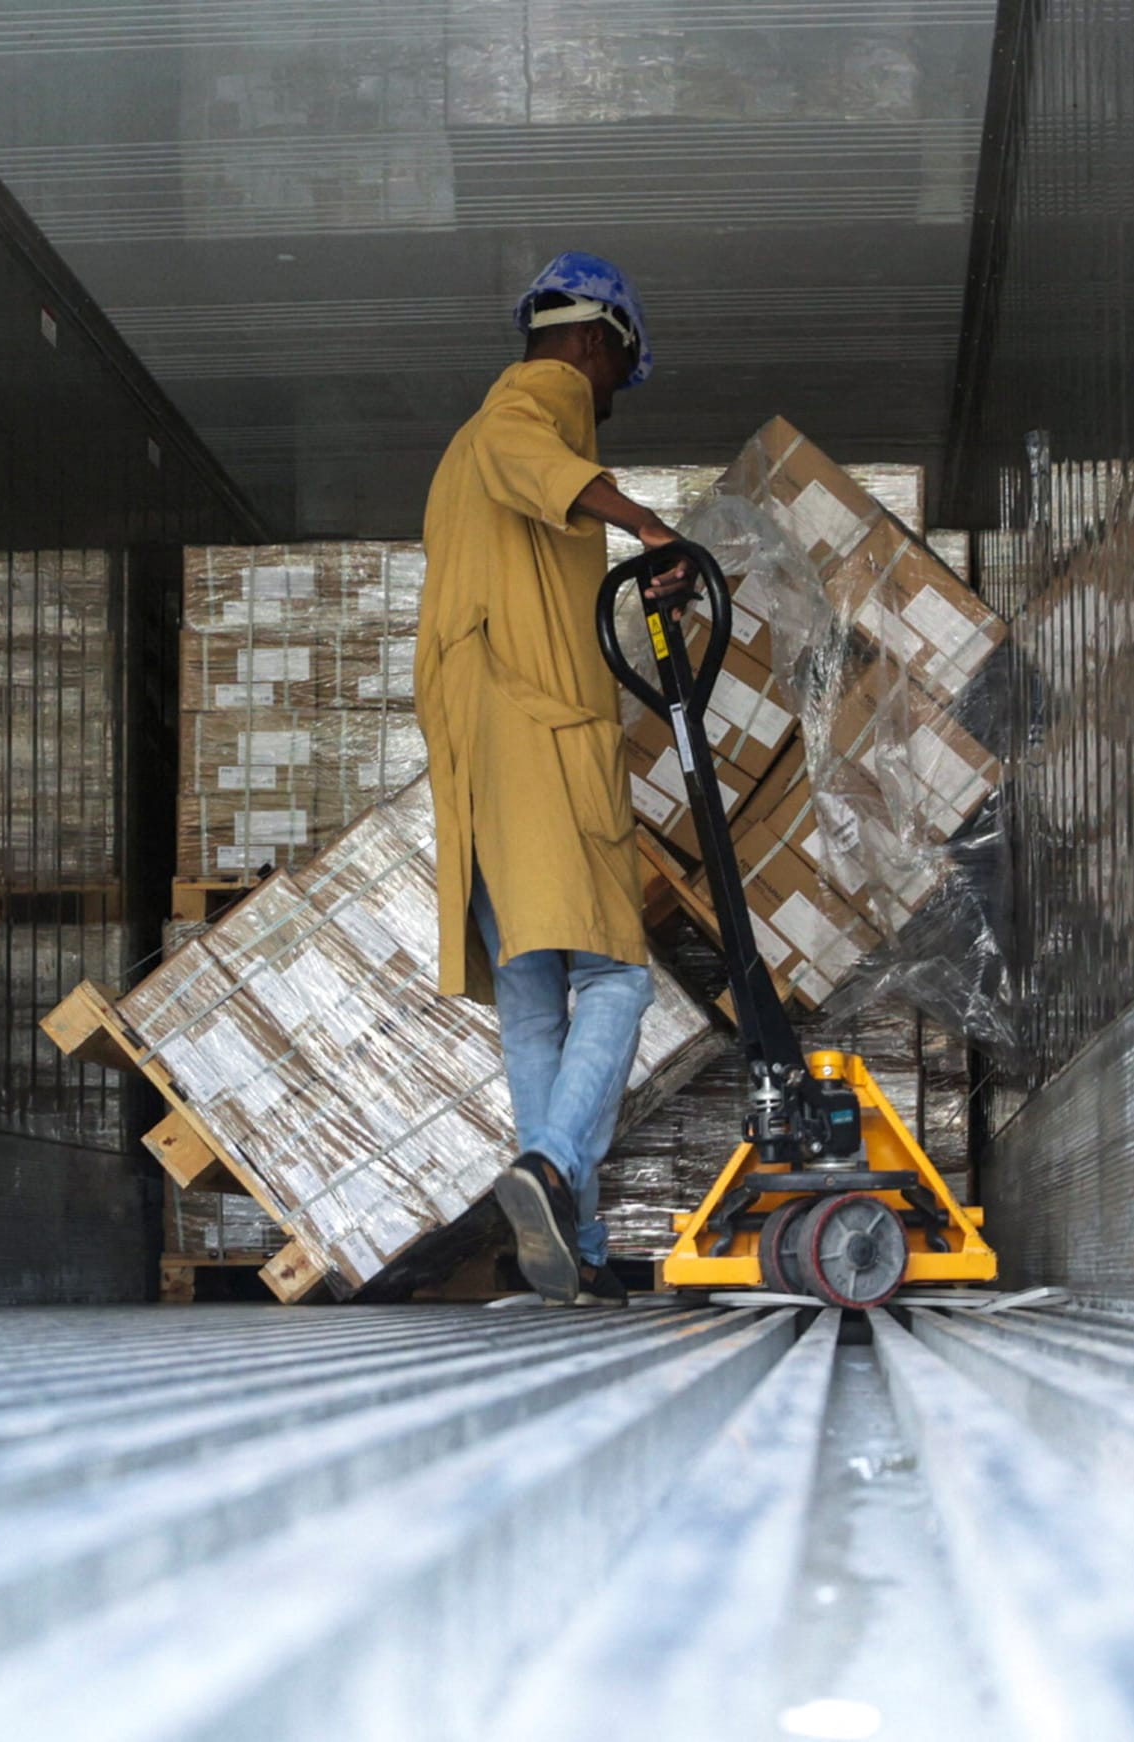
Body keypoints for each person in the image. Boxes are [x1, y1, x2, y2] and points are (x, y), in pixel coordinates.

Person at [416, 251, 690, 1307]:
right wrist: (645, 523)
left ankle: (563, 1241)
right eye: (619, 369)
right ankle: (554, 1168)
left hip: (479, 753)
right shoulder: (531, 400)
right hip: (541, 732)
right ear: (591, 339)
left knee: (532, 1006)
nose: (612, 395)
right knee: (616, 974)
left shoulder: (456, 458)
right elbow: (525, 446)